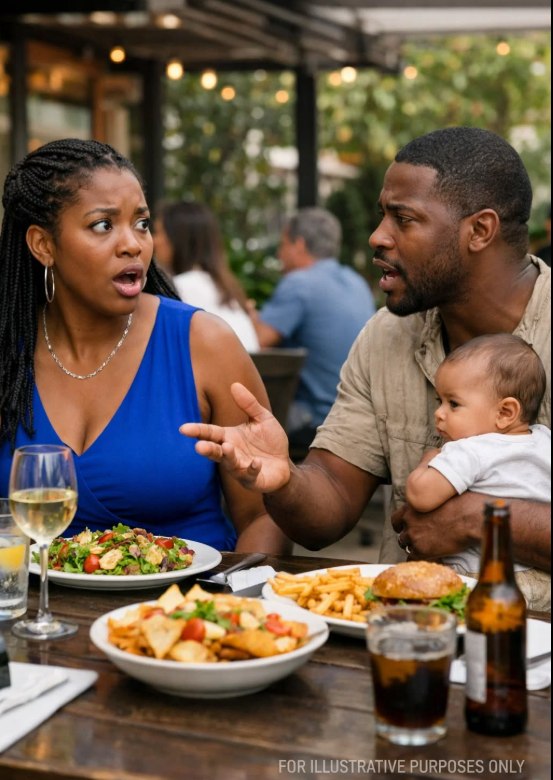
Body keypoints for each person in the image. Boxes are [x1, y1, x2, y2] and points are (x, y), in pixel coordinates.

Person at [180, 127, 551, 610]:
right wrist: (285, 478)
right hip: (402, 635)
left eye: (404, 218)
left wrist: (475, 519)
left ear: (479, 230)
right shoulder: (387, 334)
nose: (378, 236)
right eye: (383, 215)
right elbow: (328, 508)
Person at [0, 138, 290, 554]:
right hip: (42, 612)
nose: (133, 244)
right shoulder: (10, 349)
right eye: (103, 225)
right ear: (43, 245)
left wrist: (224, 604)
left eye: (141, 223)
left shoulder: (203, 343)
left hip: (184, 607)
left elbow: (265, 516)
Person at [405, 334, 550, 604]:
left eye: (453, 403)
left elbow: (421, 495)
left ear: (505, 412)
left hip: (478, 581)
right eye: (440, 401)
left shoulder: (469, 450)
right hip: (540, 580)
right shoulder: (543, 440)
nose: (439, 413)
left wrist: (429, 460)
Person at [250, 207, 376, 448]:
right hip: (359, 419)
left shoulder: (300, 283)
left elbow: (257, 341)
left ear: (299, 244)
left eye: (283, 245)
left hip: (315, 420)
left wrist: (249, 314)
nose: (279, 254)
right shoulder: (356, 282)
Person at [152, 201, 259, 351]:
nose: (153, 240)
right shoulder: (226, 290)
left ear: (177, 239)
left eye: (158, 232)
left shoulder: (178, 288)